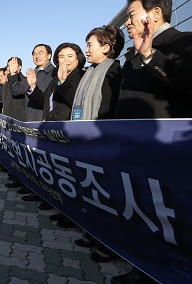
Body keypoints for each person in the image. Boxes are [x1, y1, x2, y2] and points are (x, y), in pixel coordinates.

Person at [111, 0, 192, 284]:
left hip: (169, 153)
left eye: (131, 16)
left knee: (169, 220)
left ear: (155, 14)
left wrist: (149, 55)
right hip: (132, 152)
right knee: (142, 215)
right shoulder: (132, 53)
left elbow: (191, 85)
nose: (127, 24)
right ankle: (143, 268)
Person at [69, 25, 124, 262]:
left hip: (102, 144)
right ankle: (93, 232)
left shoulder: (113, 72)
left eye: (90, 44)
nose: (87, 49)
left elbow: (108, 111)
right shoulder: (90, 73)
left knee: (107, 194)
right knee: (91, 191)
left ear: (107, 47)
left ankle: (108, 243)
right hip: (85, 142)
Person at [25, 43, 86, 212]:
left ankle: (68, 209)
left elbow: (74, 100)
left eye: (69, 56)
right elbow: (46, 100)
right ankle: (52, 199)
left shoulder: (79, 76)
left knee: (66, 173)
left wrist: (64, 81)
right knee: (52, 168)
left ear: (78, 58)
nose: (65, 60)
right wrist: (32, 87)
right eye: (61, 57)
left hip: (66, 130)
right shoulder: (56, 78)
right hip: (50, 128)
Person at [25, 44, 57, 122]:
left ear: (49, 56)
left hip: (43, 121)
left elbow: (47, 100)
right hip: (29, 120)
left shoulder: (55, 73)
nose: (37, 56)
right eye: (34, 54)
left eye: (40, 53)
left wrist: (33, 86)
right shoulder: (32, 74)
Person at [2, 57, 28, 121]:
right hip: (7, 121)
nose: (10, 67)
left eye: (13, 64)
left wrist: (13, 74)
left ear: (20, 67)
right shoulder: (6, 84)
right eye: (8, 65)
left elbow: (16, 92)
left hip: (19, 122)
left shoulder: (25, 81)